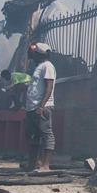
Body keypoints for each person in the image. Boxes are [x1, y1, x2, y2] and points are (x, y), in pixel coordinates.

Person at [24, 42, 57, 171]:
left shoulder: (47, 66)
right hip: (32, 107)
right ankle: (33, 164)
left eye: (35, 53)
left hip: (42, 107)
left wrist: (41, 106)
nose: (33, 55)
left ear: (39, 54)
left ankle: (45, 165)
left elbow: (49, 88)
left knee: (46, 134)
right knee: (33, 136)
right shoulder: (39, 66)